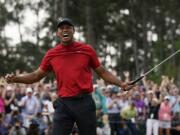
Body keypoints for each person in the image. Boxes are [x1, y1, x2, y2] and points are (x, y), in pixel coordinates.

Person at [5, 18, 133, 135]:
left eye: (68, 27)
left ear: (73, 31)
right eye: (61, 28)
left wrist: (121, 83)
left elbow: (103, 73)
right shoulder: (52, 54)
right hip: (63, 104)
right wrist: (16, 78)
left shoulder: (86, 50)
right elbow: (36, 75)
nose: (65, 30)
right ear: (57, 33)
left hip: (84, 103)